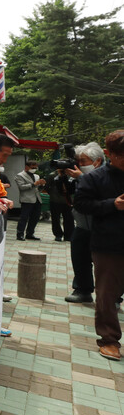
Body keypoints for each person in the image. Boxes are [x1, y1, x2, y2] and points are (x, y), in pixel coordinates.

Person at [72, 130, 124, 361]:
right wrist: (112, 204)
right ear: (109, 154)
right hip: (108, 244)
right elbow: (81, 204)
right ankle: (109, 340)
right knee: (106, 294)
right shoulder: (93, 178)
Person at [66, 143, 105, 303]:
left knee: (106, 264)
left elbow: (102, 191)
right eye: (78, 161)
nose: (80, 164)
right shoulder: (77, 176)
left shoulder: (107, 174)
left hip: (104, 227)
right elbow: (69, 194)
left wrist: (81, 177)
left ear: (97, 161)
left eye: (84, 161)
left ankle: (111, 296)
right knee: (80, 258)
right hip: (82, 224)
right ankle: (82, 290)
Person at [14, 160, 45, 240]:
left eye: (35, 167)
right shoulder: (20, 175)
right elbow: (21, 187)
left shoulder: (36, 176)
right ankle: (20, 234)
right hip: (27, 199)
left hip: (37, 199)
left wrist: (41, 185)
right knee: (24, 218)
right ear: (27, 167)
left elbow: (38, 189)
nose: (34, 169)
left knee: (35, 218)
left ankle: (30, 234)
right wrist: (34, 184)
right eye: (32, 167)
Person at [45, 167, 75, 242]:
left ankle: (69, 235)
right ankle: (58, 234)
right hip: (55, 200)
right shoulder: (52, 175)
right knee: (55, 219)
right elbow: (47, 186)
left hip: (68, 200)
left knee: (69, 219)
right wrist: (52, 194)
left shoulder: (70, 174)